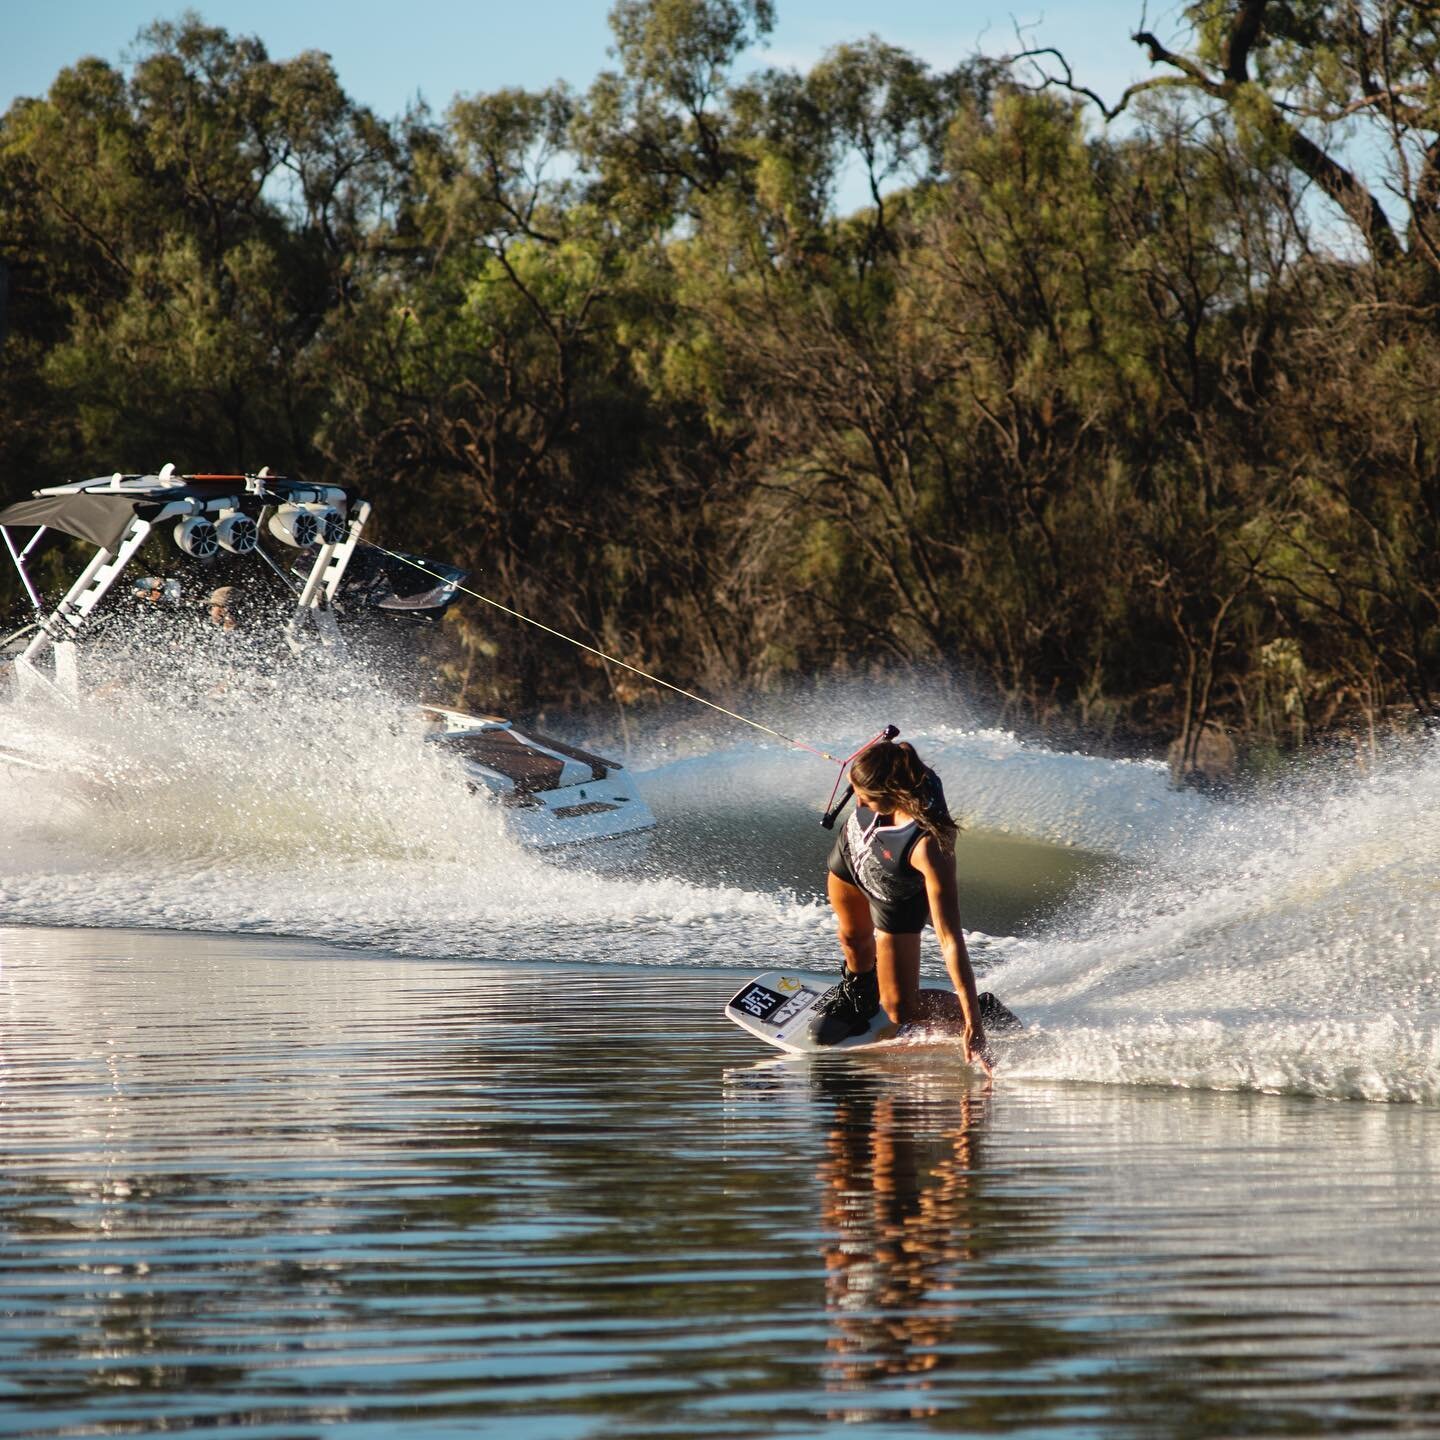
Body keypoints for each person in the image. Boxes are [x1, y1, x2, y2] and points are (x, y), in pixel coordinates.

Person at [819, 739, 999, 1071]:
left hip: (895, 894)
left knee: (902, 1010)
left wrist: (973, 1023)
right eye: (855, 791)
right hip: (853, 851)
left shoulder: (931, 846)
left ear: (894, 796)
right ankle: (859, 996)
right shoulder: (890, 763)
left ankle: (982, 1010)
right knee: (852, 939)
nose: (858, 801)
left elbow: (950, 940)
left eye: (867, 799)